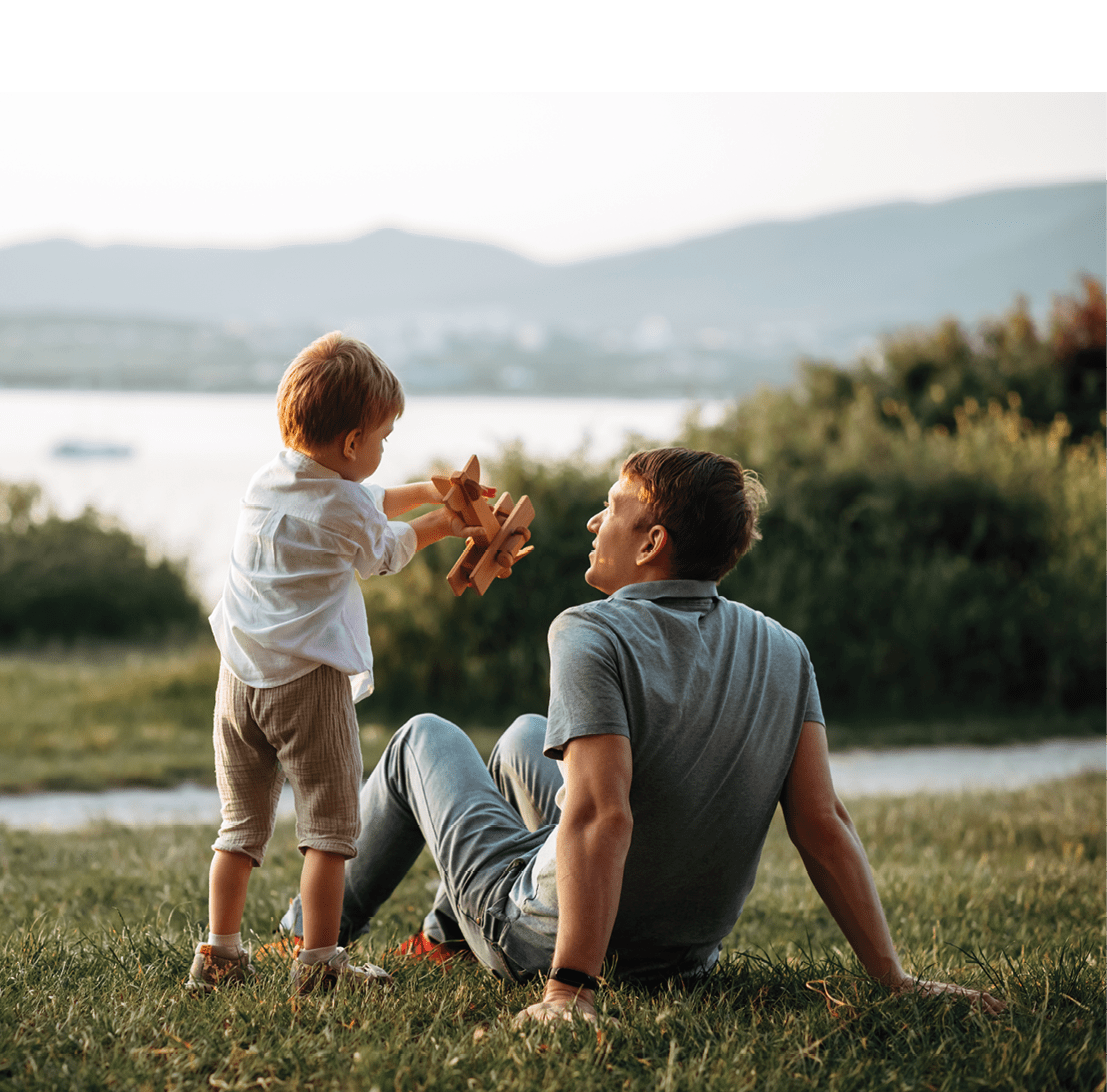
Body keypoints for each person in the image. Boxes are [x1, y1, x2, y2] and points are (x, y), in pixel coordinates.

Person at [277, 446, 1005, 1021]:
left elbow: (600, 813)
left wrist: (568, 990)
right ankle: (443, 938)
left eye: (611, 509)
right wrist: (895, 981)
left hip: (543, 939)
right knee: (526, 737)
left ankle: (303, 935)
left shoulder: (589, 630)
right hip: (680, 959)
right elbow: (821, 822)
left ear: (652, 540)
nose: (595, 523)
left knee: (421, 739)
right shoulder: (784, 647)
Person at [188, 331, 486, 994]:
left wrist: (427, 491)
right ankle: (321, 961)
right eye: (382, 437)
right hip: (305, 684)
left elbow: (361, 501)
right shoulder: (348, 502)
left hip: (237, 679)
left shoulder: (270, 478)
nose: (383, 452)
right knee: (328, 829)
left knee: (239, 827)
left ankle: (219, 954)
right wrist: (444, 522)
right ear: (353, 443)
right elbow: (380, 550)